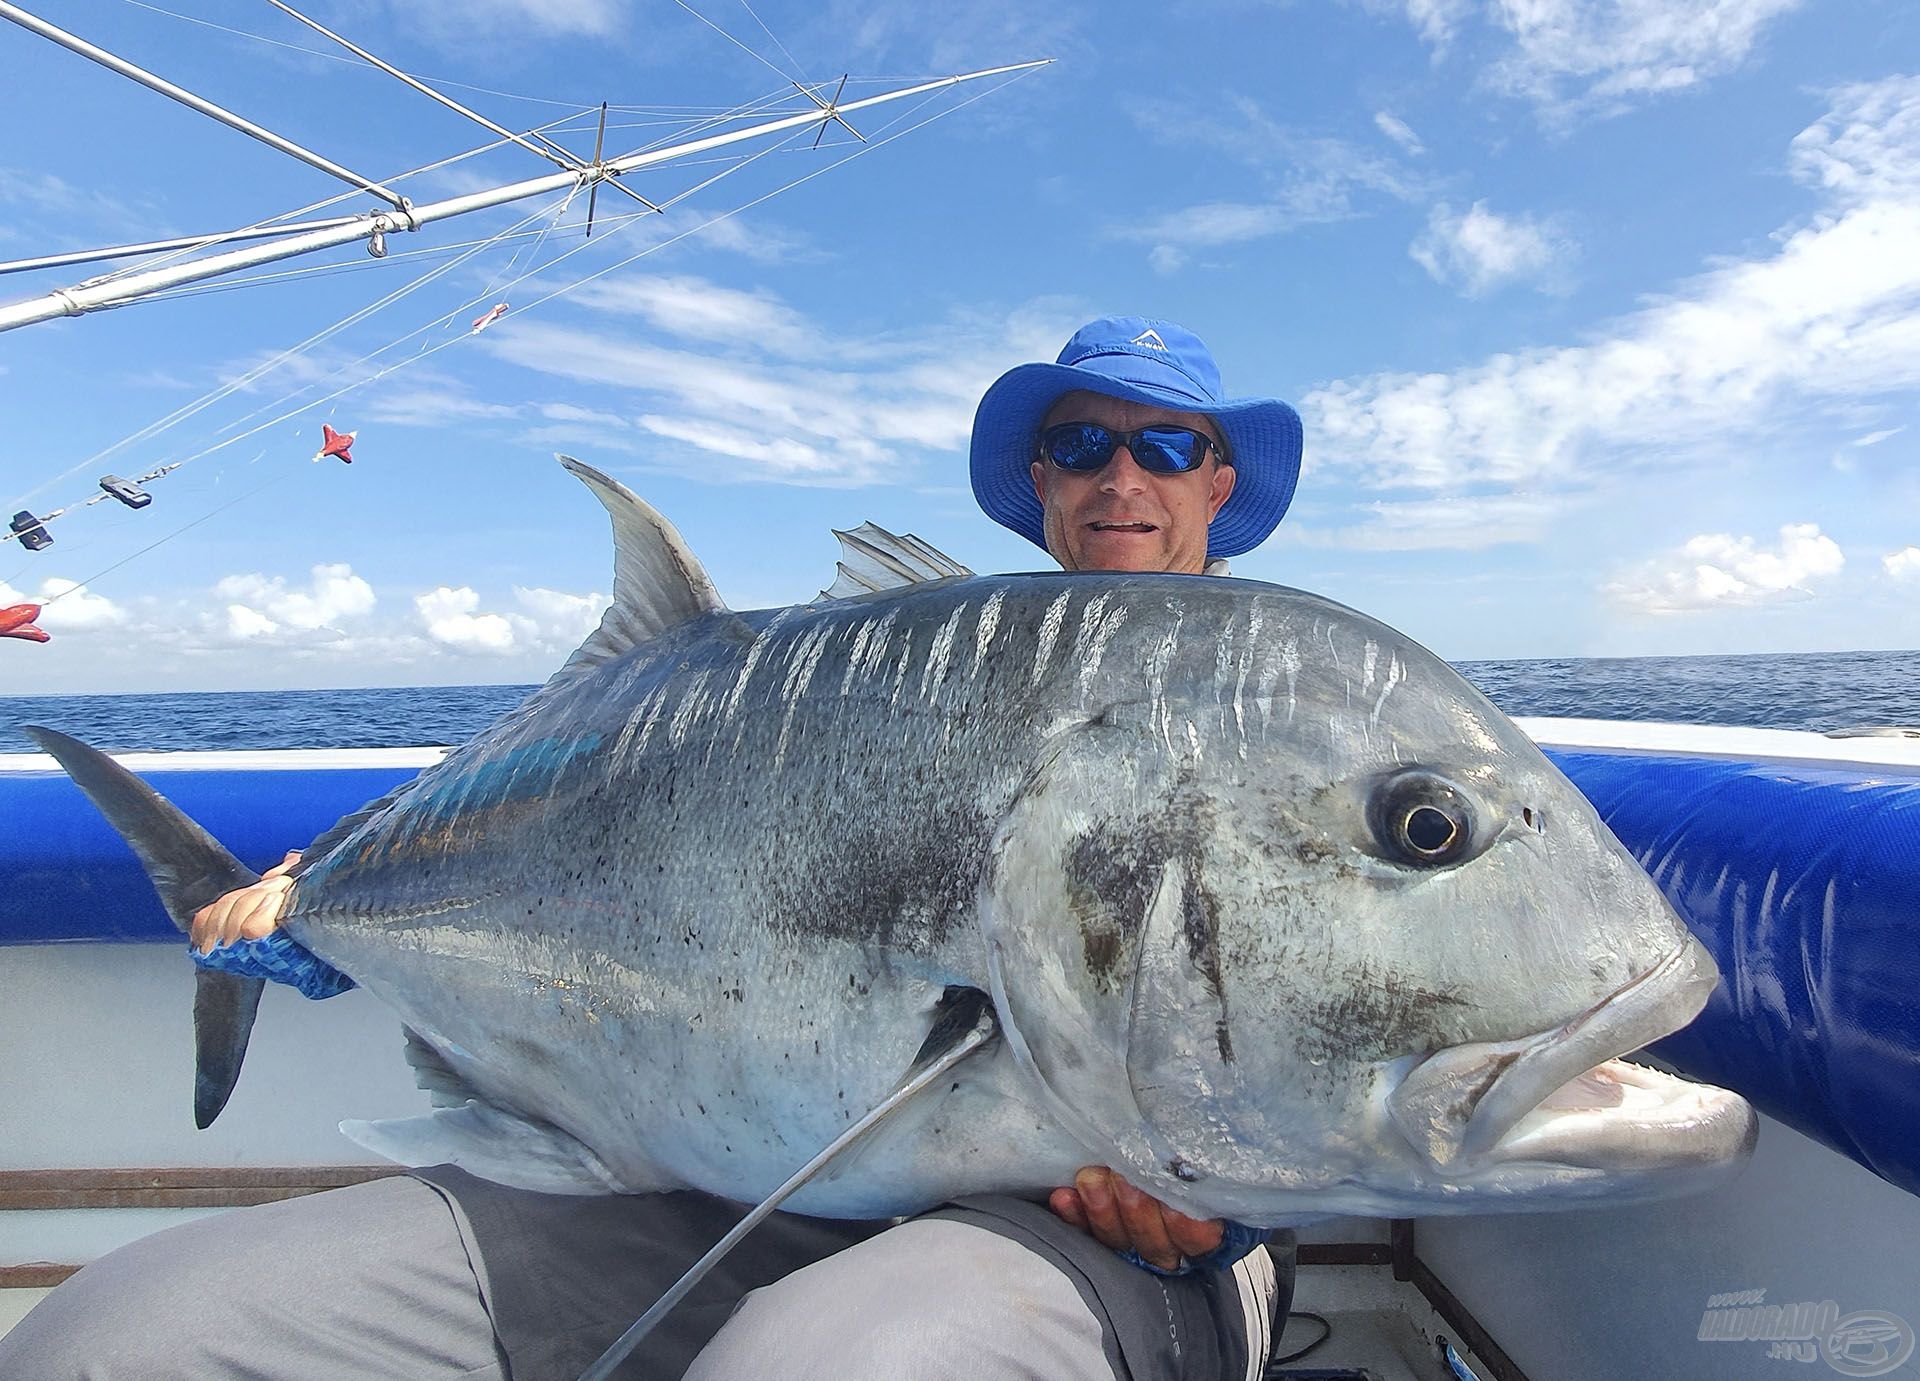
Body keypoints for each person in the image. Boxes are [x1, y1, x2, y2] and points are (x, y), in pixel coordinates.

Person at [1, 316, 1305, 1381]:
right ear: (1044, 479)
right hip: (740, 1165)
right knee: (125, 1336)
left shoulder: (1307, 718)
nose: (1121, 475)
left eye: (1165, 444)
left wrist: (1235, 1194)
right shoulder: (902, 682)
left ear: (1217, 480)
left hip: (1136, 1237)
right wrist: (325, 890)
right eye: (1083, 442)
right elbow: (615, 810)